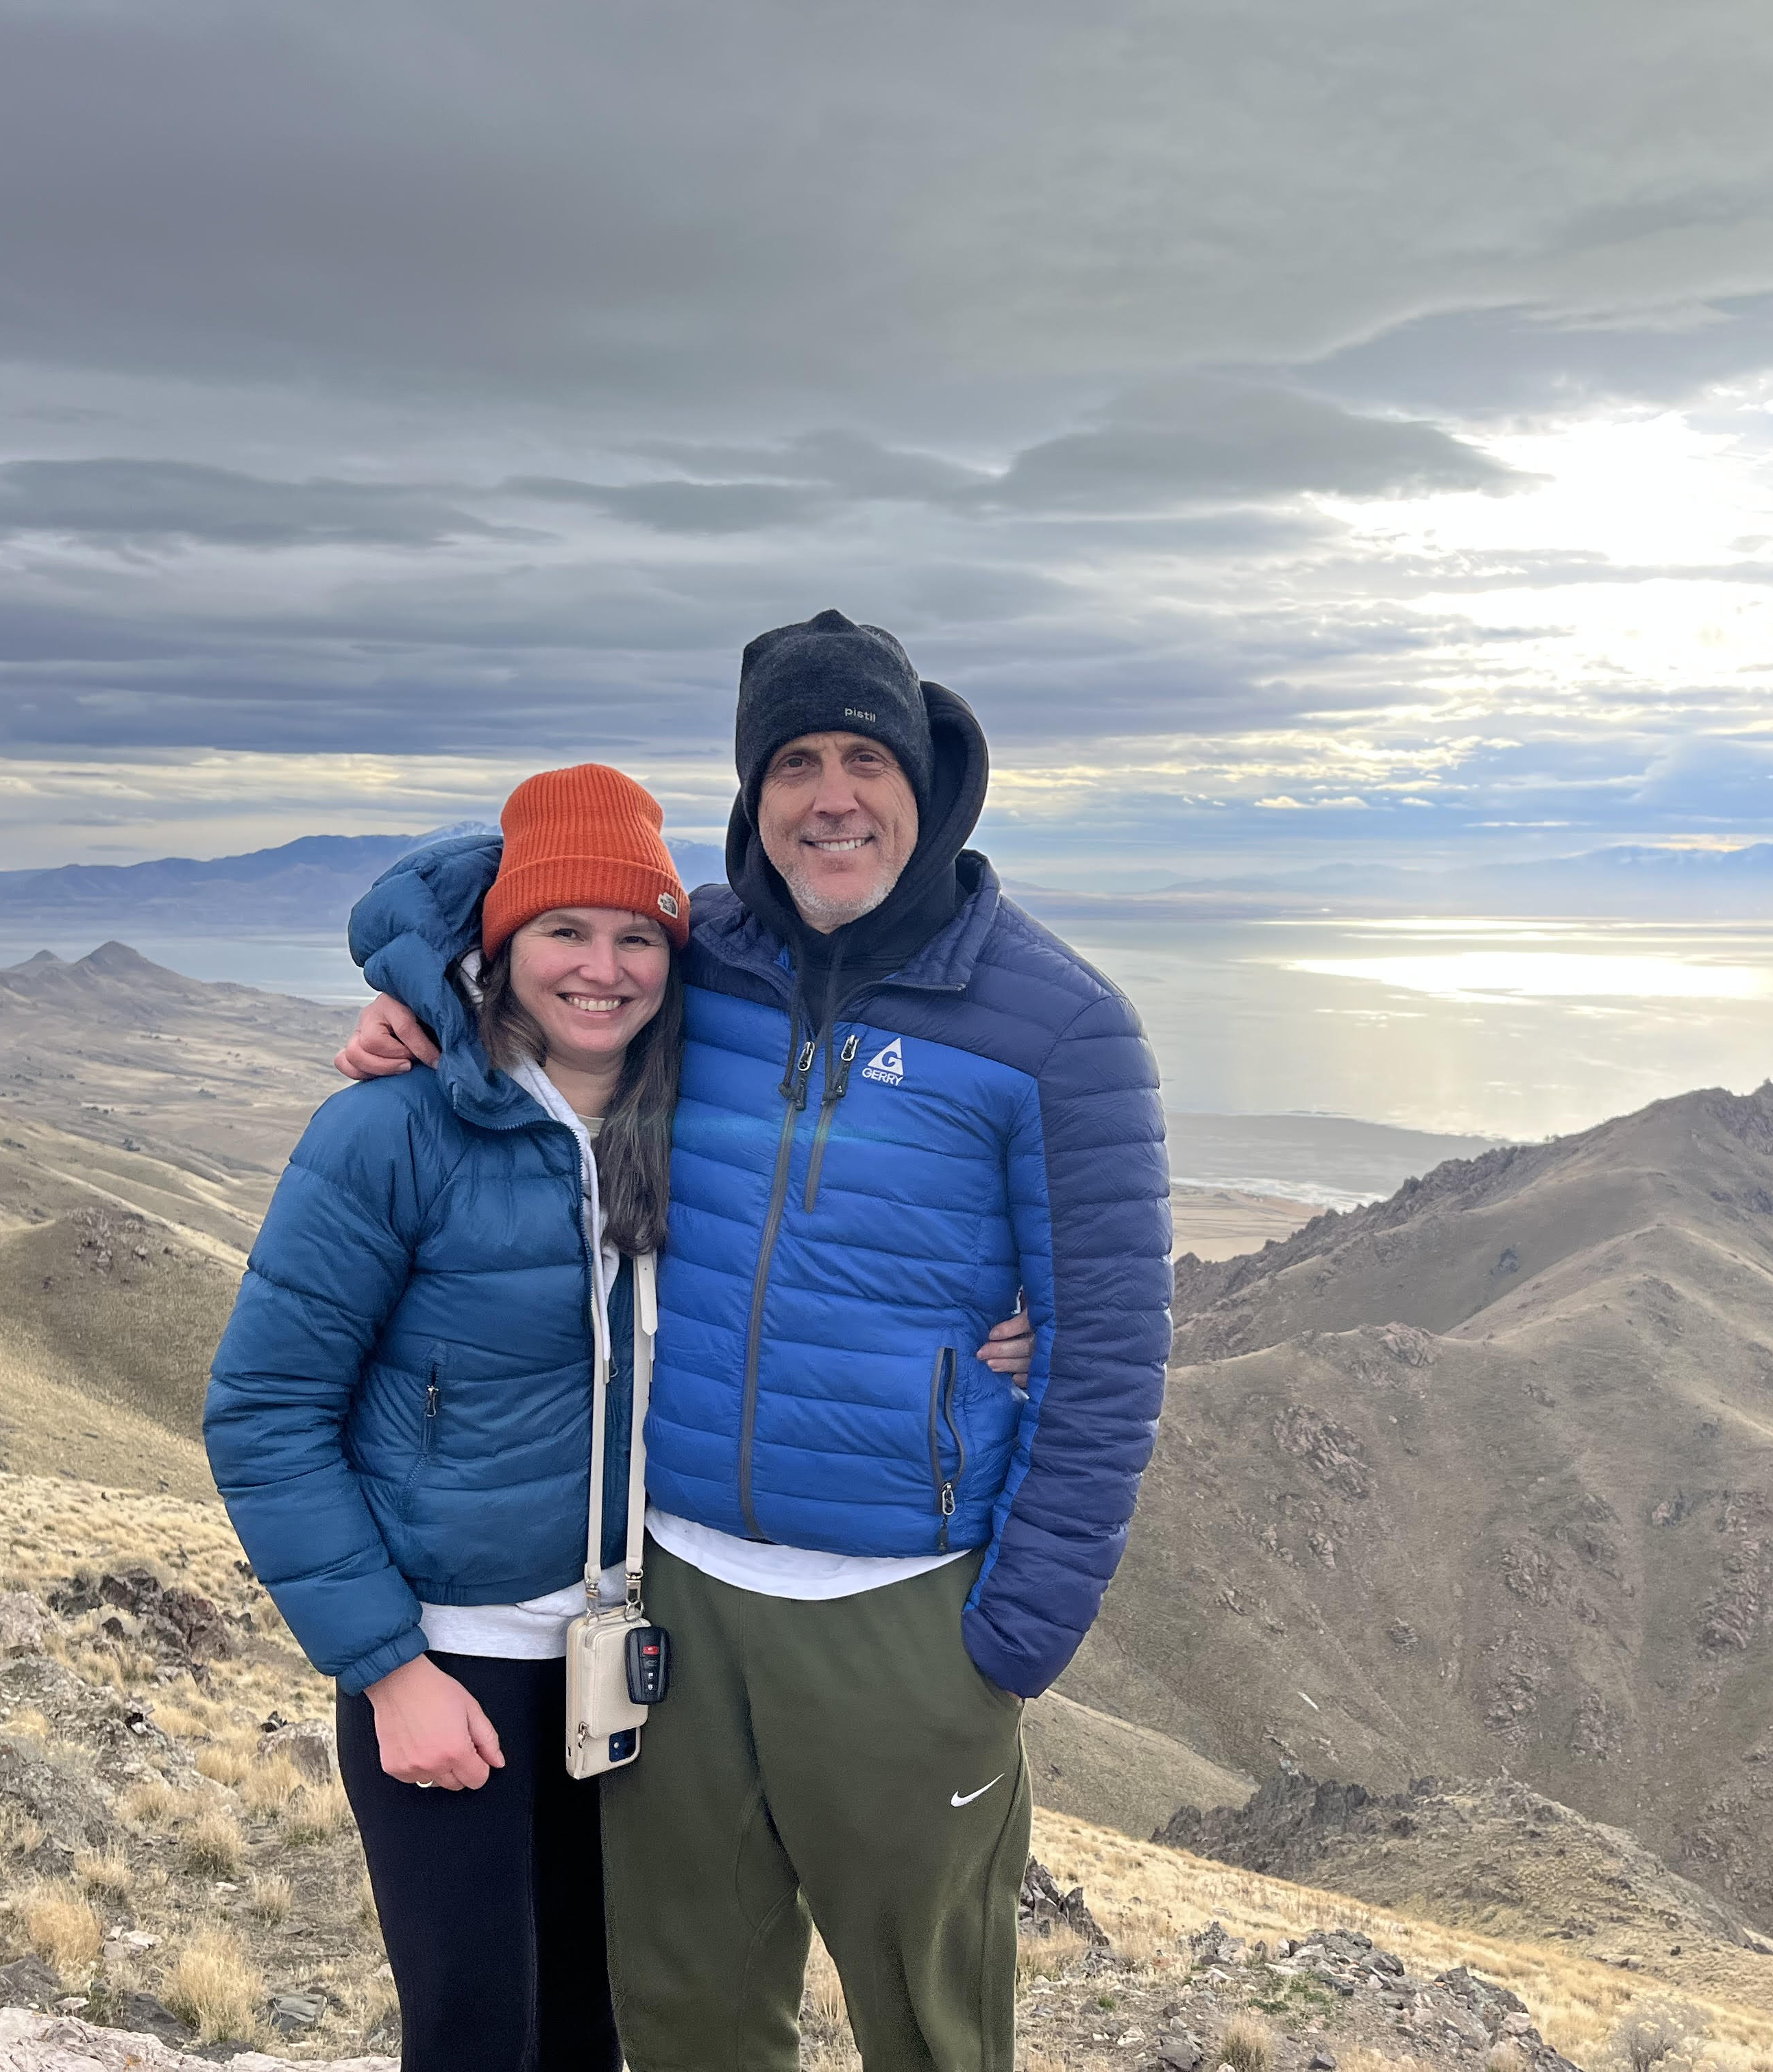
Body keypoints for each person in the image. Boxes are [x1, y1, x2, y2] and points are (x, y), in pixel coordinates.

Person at [335, 610, 1172, 2072]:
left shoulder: (1060, 1026)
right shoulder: (694, 957)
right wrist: (415, 1002)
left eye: (863, 757)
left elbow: (1109, 1363)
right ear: (751, 794)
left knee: (934, 2027)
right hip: (674, 1606)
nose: (829, 795)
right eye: (793, 762)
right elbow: (524, 898)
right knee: (689, 2019)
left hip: (905, 1612)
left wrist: (1012, 1643)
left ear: (929, 779)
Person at [208, 760, 1038, 2072]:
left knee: (609, 2027)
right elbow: (263, 1412)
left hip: (647, 1679)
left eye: (636, 936)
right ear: (502, 947)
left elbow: (849, 1241)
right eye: (562, 931)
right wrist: (388, 1670)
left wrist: (1012, 1315)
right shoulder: (389, 1134)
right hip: (455, 1664)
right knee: (480, 2033)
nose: (603, 969)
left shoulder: (691, 1121)